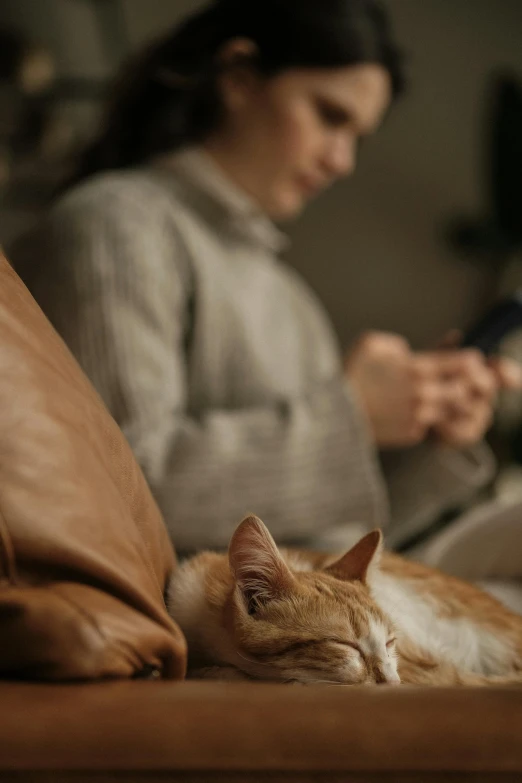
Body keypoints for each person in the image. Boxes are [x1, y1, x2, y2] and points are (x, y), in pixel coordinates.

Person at [9, 0, 521, 555]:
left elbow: (325, 552)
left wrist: (427, 437)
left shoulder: (292, 300)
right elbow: (121, 489)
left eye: (358, 138)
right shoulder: (116, 224)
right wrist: (355, 419)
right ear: (238, 78)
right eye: (330, 115)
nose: (343, 161)